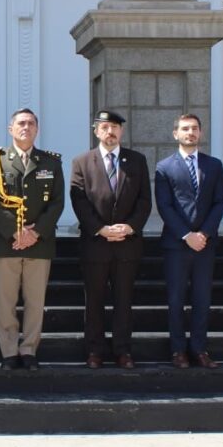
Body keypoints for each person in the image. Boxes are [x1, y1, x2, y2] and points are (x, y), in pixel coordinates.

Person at [0, 108, 64, 370]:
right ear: (10, 129)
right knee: (5, 302)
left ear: (37, 129)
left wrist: (35, 232)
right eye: (20, 123)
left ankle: (28, 350)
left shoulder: (50, 162)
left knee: (35, 301)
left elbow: (57, 202)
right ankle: (8, 352)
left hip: (40, 243)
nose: (25, 127)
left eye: (30, 123)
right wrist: (15, 231)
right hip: (6, 242)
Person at [69, 110, 151, 369]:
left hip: (127, 244)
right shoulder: (82, 161)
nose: (110, 132)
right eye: (105, 127)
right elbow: (79, 200)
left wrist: (129, 227)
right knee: (93, 301)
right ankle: (94, 351)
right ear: (96, 131)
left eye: (115, 127)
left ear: (121, 131)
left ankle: (122, 350)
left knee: (124, 300)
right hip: (95, 244)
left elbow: (145, 200)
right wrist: (100, 229)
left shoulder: (136, 161)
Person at [155, 113, 223, 369]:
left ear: (201, 133)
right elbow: (165, 206)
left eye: (195, 128)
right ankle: (177, 351)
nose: (190, 133)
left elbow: (219, 202)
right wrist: (187, 235)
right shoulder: (164, 167)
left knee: (202, 298)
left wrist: (204, 234)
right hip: (177, 244)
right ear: (176, 134)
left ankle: (199, 349)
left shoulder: (214, 165)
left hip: (205, 244)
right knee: (175, 299)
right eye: (185, 129)